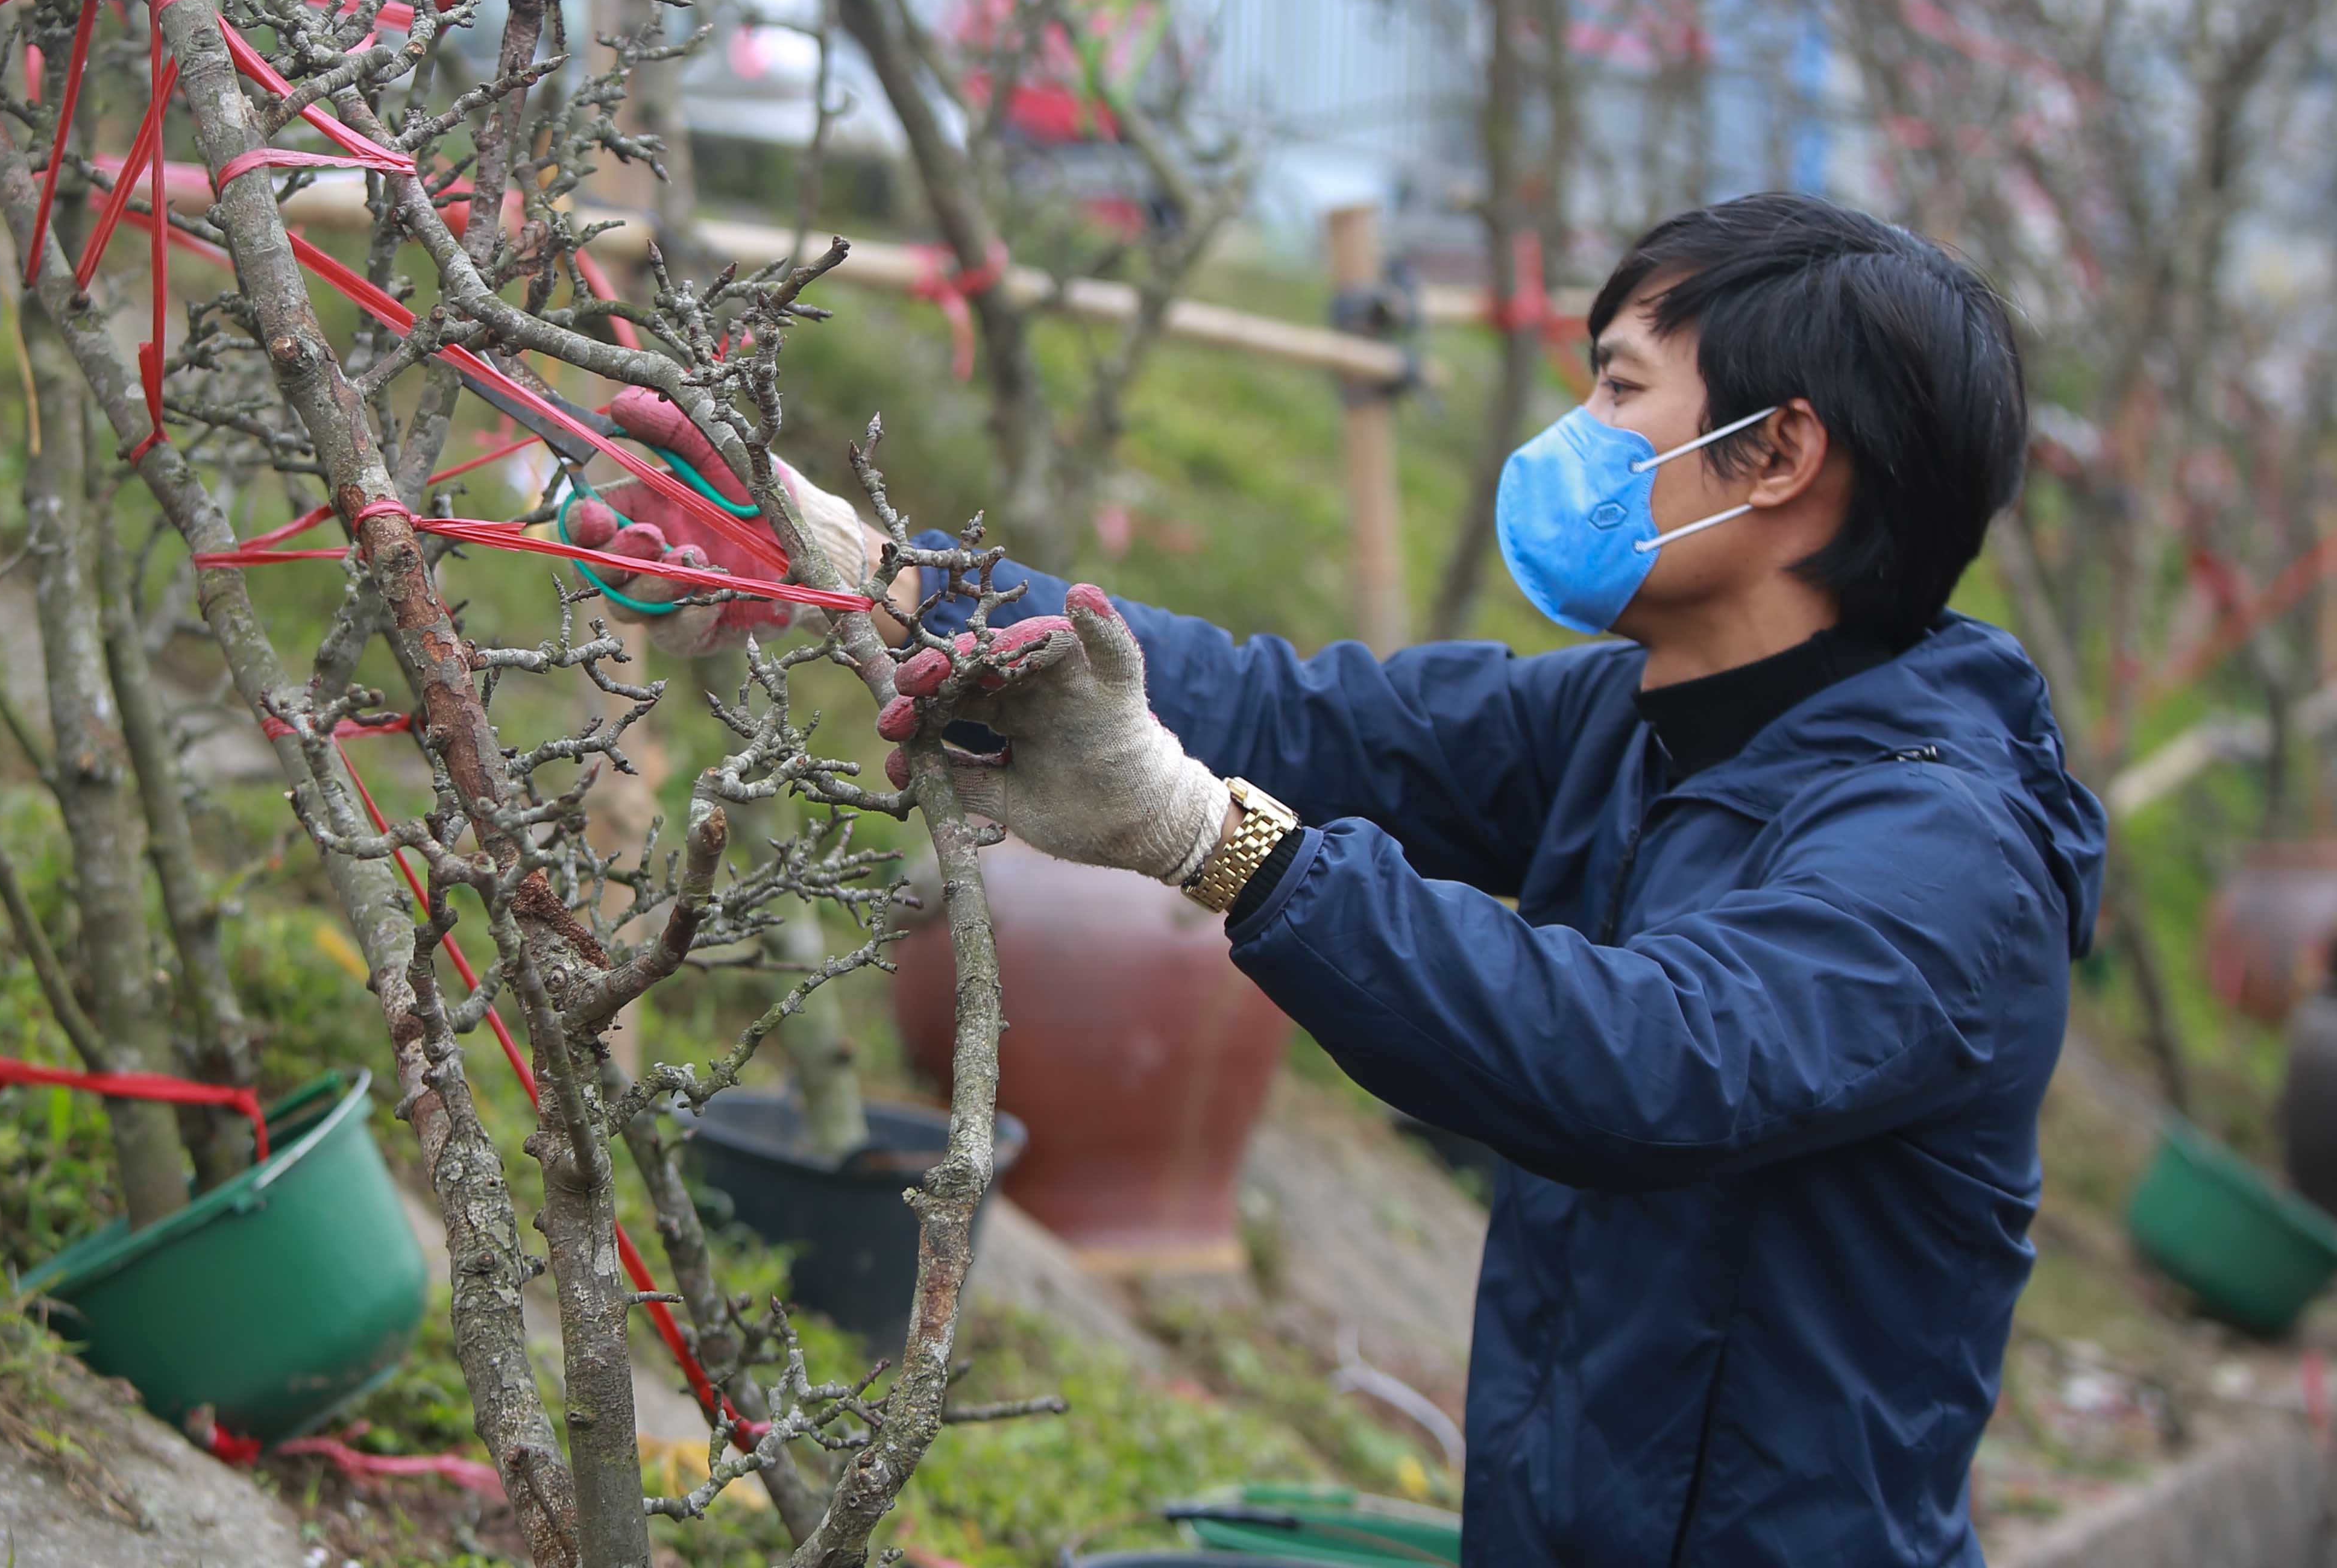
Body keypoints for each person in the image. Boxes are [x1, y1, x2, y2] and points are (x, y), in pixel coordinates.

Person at [568, 193, 2101, 1567]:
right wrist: (869, 571)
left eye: (1623, 388)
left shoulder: (1941, 852)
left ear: (1776, 454)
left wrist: (1203, 838)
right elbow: (1304, 717)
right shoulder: (1636, 724)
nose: (1576, 433)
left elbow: (1646, 1066)